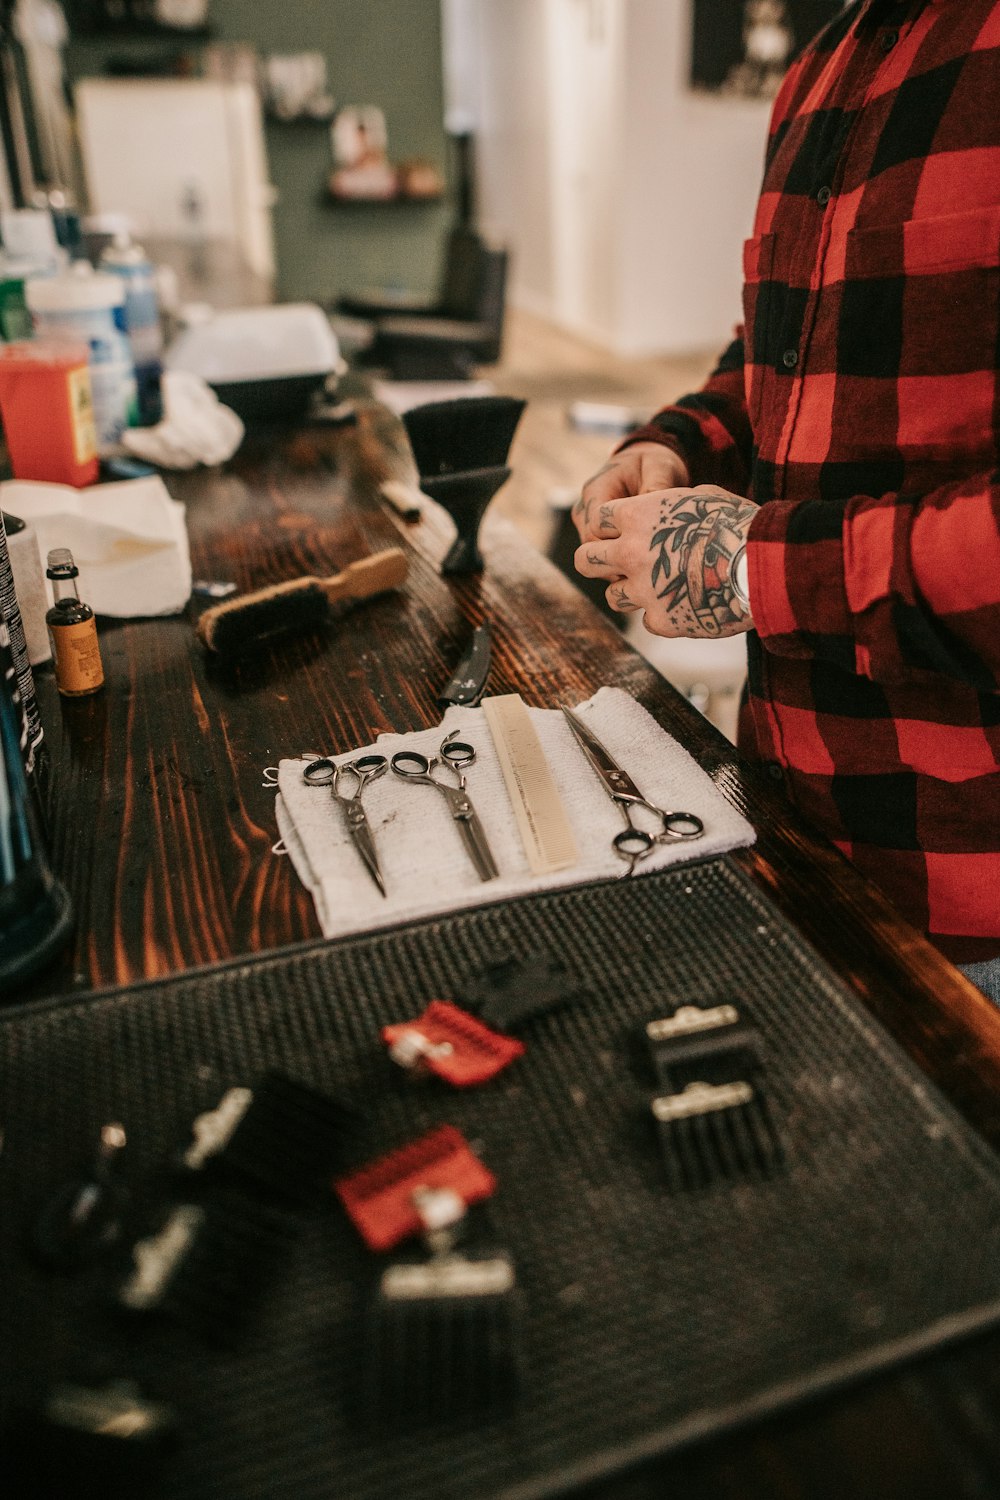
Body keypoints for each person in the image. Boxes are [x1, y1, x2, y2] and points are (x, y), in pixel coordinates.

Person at [573, 0, 1000, 1001]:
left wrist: (753, 569)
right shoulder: (822, 67)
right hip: (789, 813)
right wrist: (678, 440)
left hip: (974, 905)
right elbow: (794, 346)